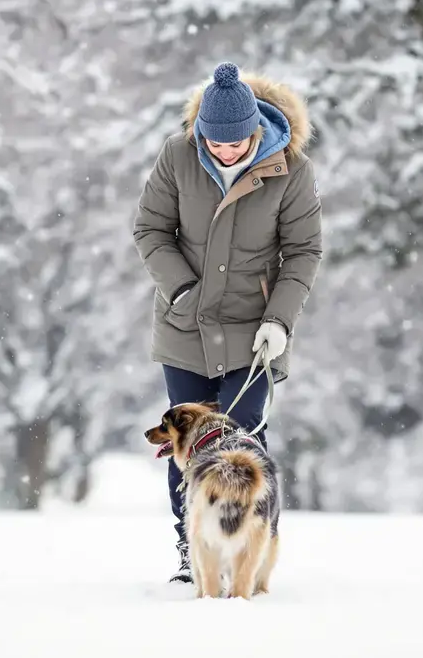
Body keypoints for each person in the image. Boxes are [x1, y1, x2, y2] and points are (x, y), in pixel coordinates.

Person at [132, 61, 324, 583]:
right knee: (187, 449)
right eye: (215, 144)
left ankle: (251, 548)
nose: (226, 152)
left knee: (241, 445)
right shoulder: (177, 156)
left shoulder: (290, 168)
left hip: (254, 334)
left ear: (255, 130)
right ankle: (192, 553)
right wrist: (182, 289)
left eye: (236, 144)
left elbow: (303, 251)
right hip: (184, 327)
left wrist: (279, 320)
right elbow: (150, 228)